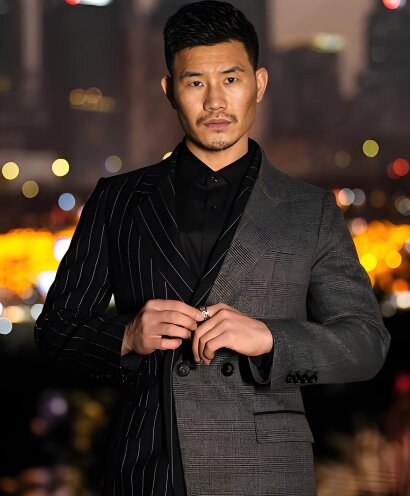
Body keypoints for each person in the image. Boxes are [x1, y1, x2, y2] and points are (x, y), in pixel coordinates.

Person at [34, 1, 390, 495]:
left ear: (259, 84)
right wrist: (126, 336)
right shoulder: (117, 200)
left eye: (231, 79)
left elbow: (366, 345)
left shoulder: (311, 210)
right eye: (195, 82)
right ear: (169, 91)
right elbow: (55, 332)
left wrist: (270, 339)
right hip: (149, 468)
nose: (215, 102)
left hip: (267, 474)